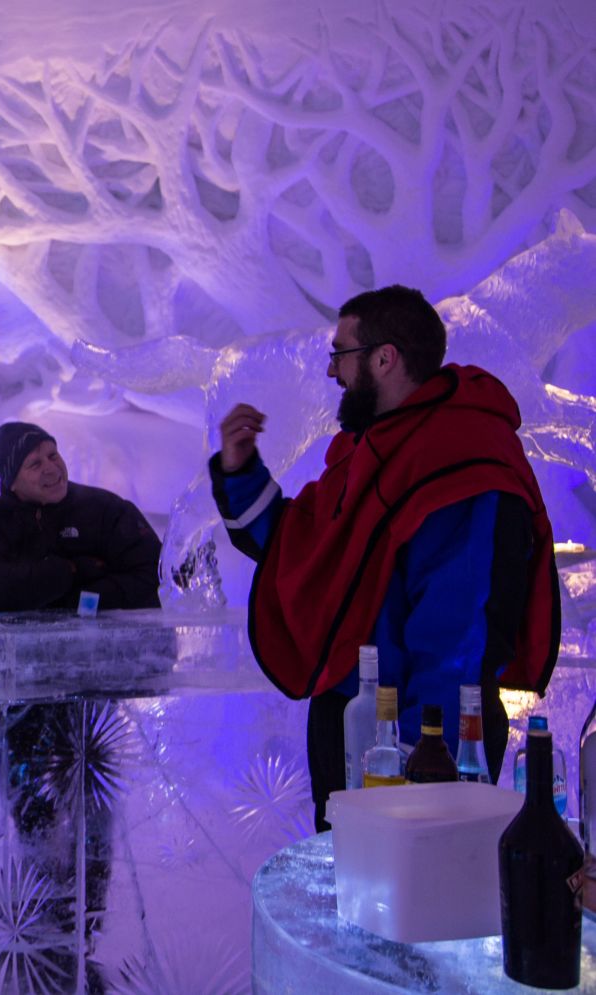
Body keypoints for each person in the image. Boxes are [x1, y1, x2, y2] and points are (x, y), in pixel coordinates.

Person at [211, 284, 559, 829]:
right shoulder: (383, 446)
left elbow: (455, 629)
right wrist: (240, 472)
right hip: (365, 722)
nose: (333, 373)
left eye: (340, 355)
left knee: (409, 903)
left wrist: (428, 768)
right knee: (354, 895)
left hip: (412, 740)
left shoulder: (459, 453)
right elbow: (307, 548)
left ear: (384, 357)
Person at [0, 421, 161, 612]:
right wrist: (67, 572)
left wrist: (81, 601)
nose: (51, 468)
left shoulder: (104, 508)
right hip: (20, 649)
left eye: (53, 455)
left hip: (113, 646)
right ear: (12, 483)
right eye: (35, 464)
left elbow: (157, 574)